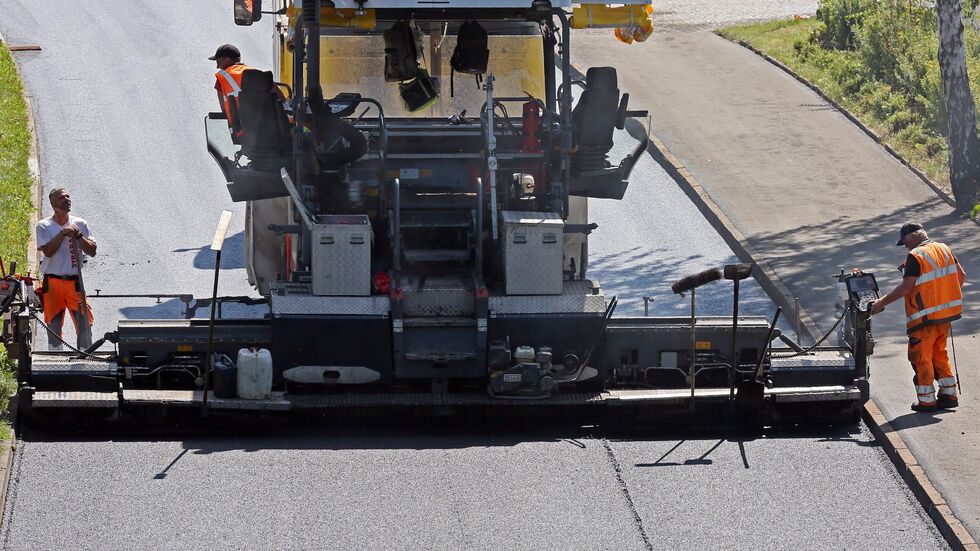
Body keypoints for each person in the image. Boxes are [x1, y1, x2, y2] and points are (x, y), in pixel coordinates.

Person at [870, 222, 966, 412]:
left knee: (921, 358)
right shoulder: (944, 248)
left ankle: (927, 401)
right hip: (944, 316)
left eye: (904, 240)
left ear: (914, 236)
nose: (905, 245)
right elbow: (961, 276)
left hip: (923, 319)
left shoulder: (916, 256)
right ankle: (949, 396)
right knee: (939, 354)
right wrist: (944, 297)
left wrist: (881, 302)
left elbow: (907, 287)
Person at [35, 187, 97, 351]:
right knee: (53, 327)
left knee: (84, 325)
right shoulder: (44, 226)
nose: (67, 199)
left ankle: (85, 358)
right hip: (52, 283)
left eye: (68, 196)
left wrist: (78, 236)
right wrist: (63, 234)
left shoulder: (80, 224)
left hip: (75, 283)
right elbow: (48, 252)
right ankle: (55, 360)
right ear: (53, 202)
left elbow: (92, 251)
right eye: (62, 197)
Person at [210, 43, 253, 139]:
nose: (217, 66)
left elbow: (224, 109)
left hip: (244, 131)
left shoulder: (223, 78)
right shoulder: (257, 73)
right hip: (272, 127)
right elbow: (281, 98)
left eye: (218, 62)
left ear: (227, 60)